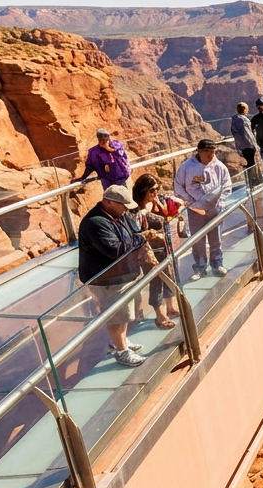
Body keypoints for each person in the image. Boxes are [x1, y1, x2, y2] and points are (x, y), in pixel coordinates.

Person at [77, 184, 147, 367]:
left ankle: (121, 341)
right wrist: (139, 239)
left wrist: (137, 236)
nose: (125, 210)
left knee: (123, 312)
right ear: (108, 202)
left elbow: (134, 231)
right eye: (122, 205)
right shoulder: (95, 223)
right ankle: (121, 351)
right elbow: (115, 249)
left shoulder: (118, 215)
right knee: (116, 314)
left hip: (121, 275)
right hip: (105, 279)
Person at [173, 139, 231, 280]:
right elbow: (178, 185)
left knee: (215, 238)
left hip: (214, 209)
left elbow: (227, 185)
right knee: (198, 240)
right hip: (195, 210)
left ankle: (217, 264)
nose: (210, 154)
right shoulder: (186, 167)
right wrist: (190, 202)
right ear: (199, 151)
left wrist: (220, 201)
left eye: (213, 151)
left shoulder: (219, 167)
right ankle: (200, 268)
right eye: (207, 151)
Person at [131, 173, 180, 329]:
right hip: (148, 251)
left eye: (156, 189)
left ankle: (170, 307)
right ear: (142, 190)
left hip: (163, 247)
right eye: (151, 190)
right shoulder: (134, 209)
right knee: (156, 281)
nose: (155, 193)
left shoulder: (155, 203)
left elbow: (166, 215)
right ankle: (160, 316)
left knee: (169, 276)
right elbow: (137, 231)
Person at [230, 102, 258, 184]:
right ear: (245, 109)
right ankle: (253, 181)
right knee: (251, 163)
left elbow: (234, 132)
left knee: (249, 162)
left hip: (241, 145)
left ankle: (250, 181)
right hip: (248, 144)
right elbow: (247, 133)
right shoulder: (243, 119)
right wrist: (254, 144)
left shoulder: (234, 119)